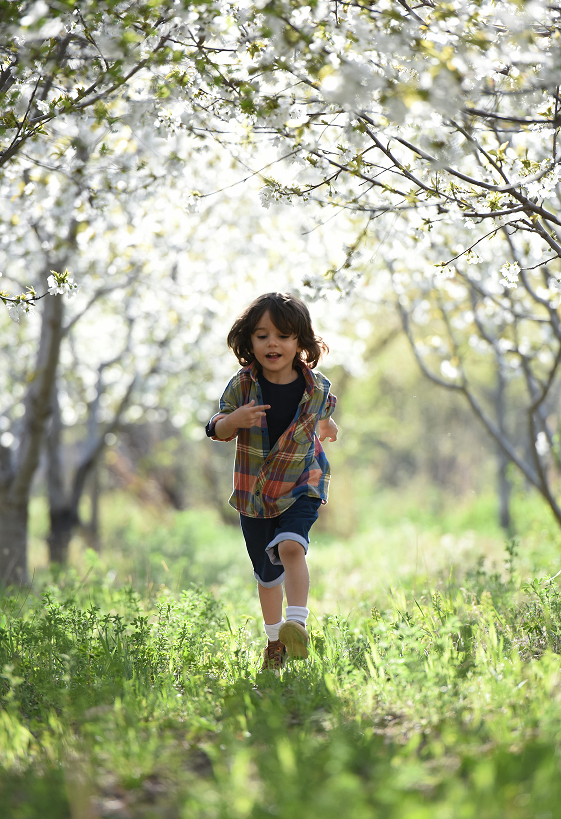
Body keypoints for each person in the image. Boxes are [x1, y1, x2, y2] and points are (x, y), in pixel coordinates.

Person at [206, 292, 338, 673]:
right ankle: (275, 640)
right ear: (249, 342)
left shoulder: (316, 387)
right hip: (256, 494)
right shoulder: (243, 386)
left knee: (292, 547)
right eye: (262, 336)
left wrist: (328, 426)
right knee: (267, 574)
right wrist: (233, 422)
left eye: (283, 335)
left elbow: (324, 411)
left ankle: (297, 622)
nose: (272, 344)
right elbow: (215, 426)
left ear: (301, 343)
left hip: (303, 481)